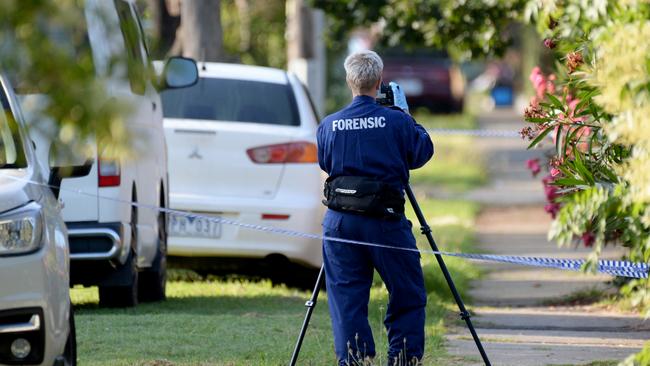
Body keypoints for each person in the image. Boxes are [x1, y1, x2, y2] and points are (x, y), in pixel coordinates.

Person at [317, 50, 434, 366]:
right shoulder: (396, 120)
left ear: (349, 81)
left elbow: (326, 163)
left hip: (340, 222)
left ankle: (355, 358)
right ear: (380, 81)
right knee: (407, 291)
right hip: (385, 221)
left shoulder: (329, 125)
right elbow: (422, 152)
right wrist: (405, 115)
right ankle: (404, 357)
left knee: (346, 296)